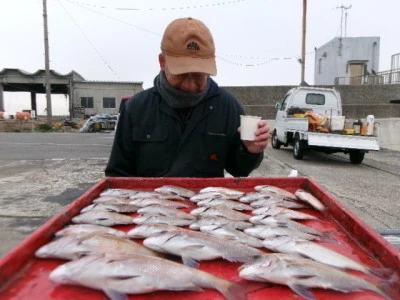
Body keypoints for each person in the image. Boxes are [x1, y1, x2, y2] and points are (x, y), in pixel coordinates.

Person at [105, 17, 271, 177]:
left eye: (199, 75)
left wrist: (250, 151)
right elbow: (118, 174)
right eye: (181, 74)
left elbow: (239, 170)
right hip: (152, 203)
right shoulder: (137, 108)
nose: (190, 85)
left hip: (206, 203)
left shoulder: (226, 105)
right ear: (163, 62)